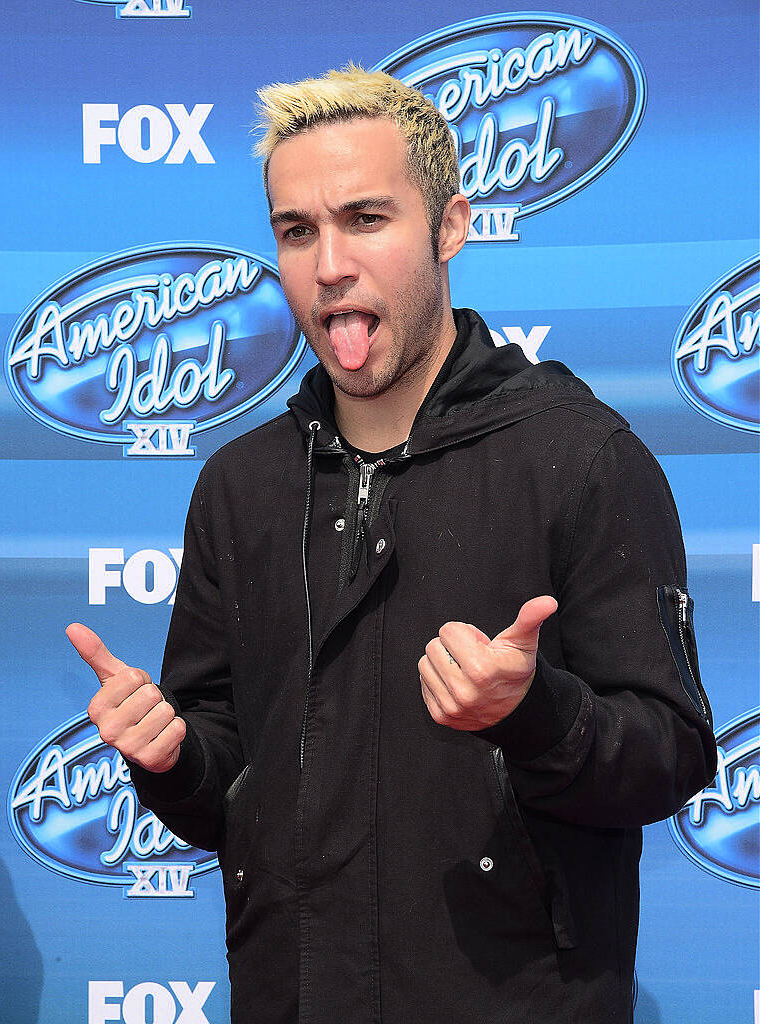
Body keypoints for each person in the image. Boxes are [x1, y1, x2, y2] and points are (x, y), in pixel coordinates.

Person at [67, 66, 717, 1024]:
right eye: (297, 230)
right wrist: (170, 761)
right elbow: (227, 790)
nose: (329, 263)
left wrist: (533, 712)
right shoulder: (239, 487)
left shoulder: (580, 458)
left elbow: (672, 755)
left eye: (366, 219)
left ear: (449, 227)